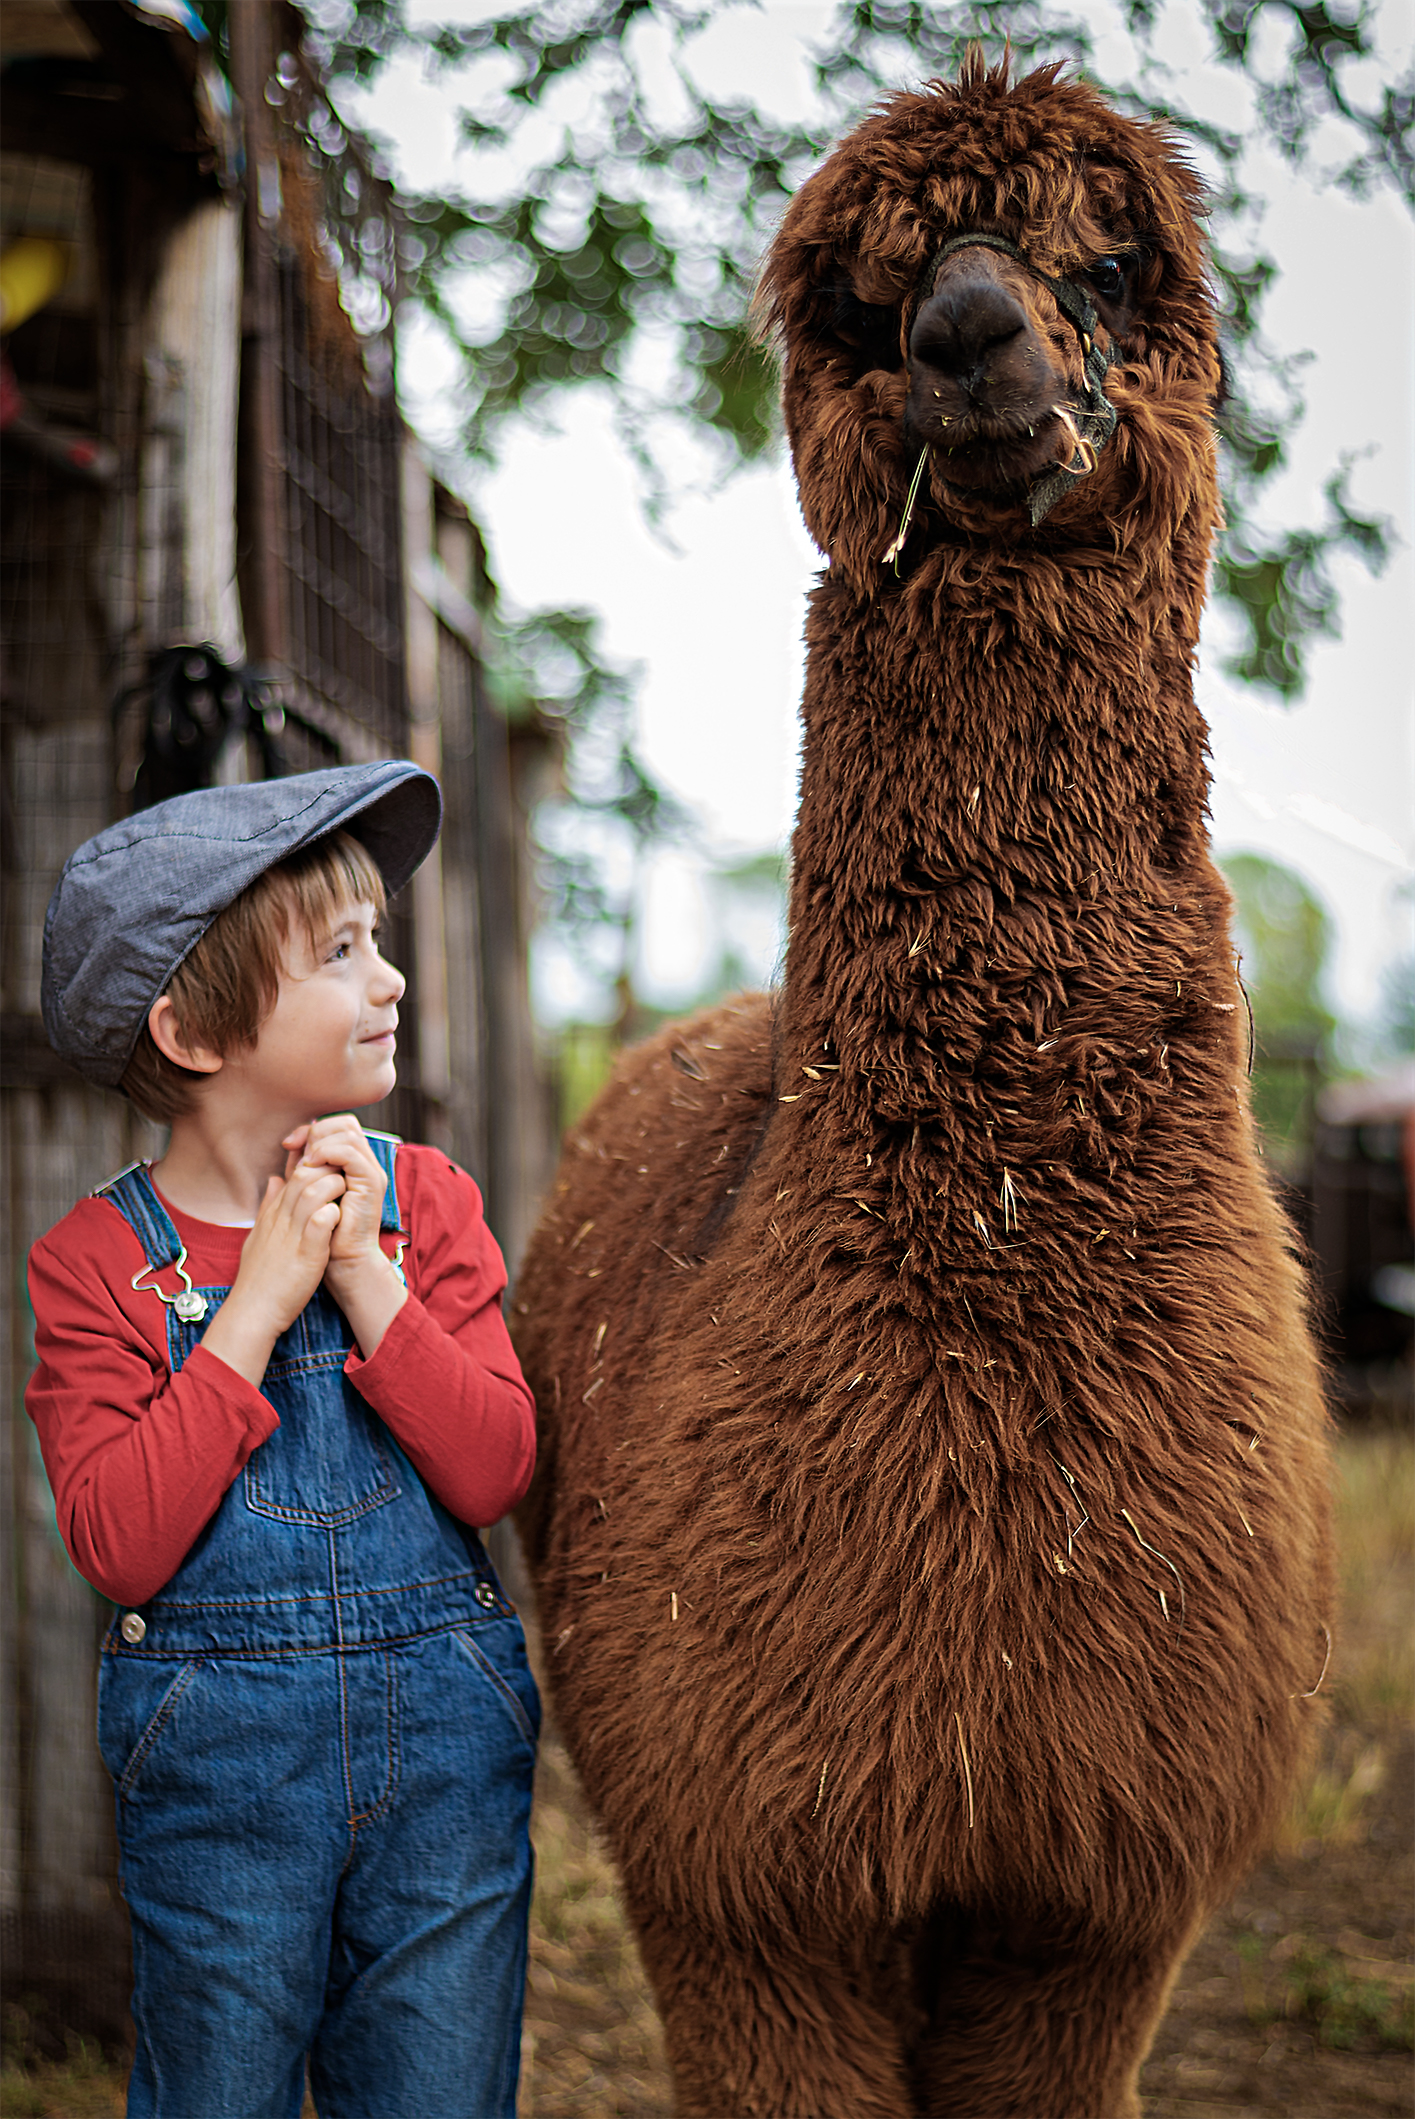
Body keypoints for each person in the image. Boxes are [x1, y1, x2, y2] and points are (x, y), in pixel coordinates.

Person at [26, 763, 540, 2119]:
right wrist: (252, 1311)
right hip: (222, 1779)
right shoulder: (96, 1267)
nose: (392, 983)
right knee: (219, 2089)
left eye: (379, 942)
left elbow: (493, 1468)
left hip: (446, 1758)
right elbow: (122, 1548)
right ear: (195, 1029)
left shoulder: (430, 1205)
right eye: (342, 953)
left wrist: (366, 1275)